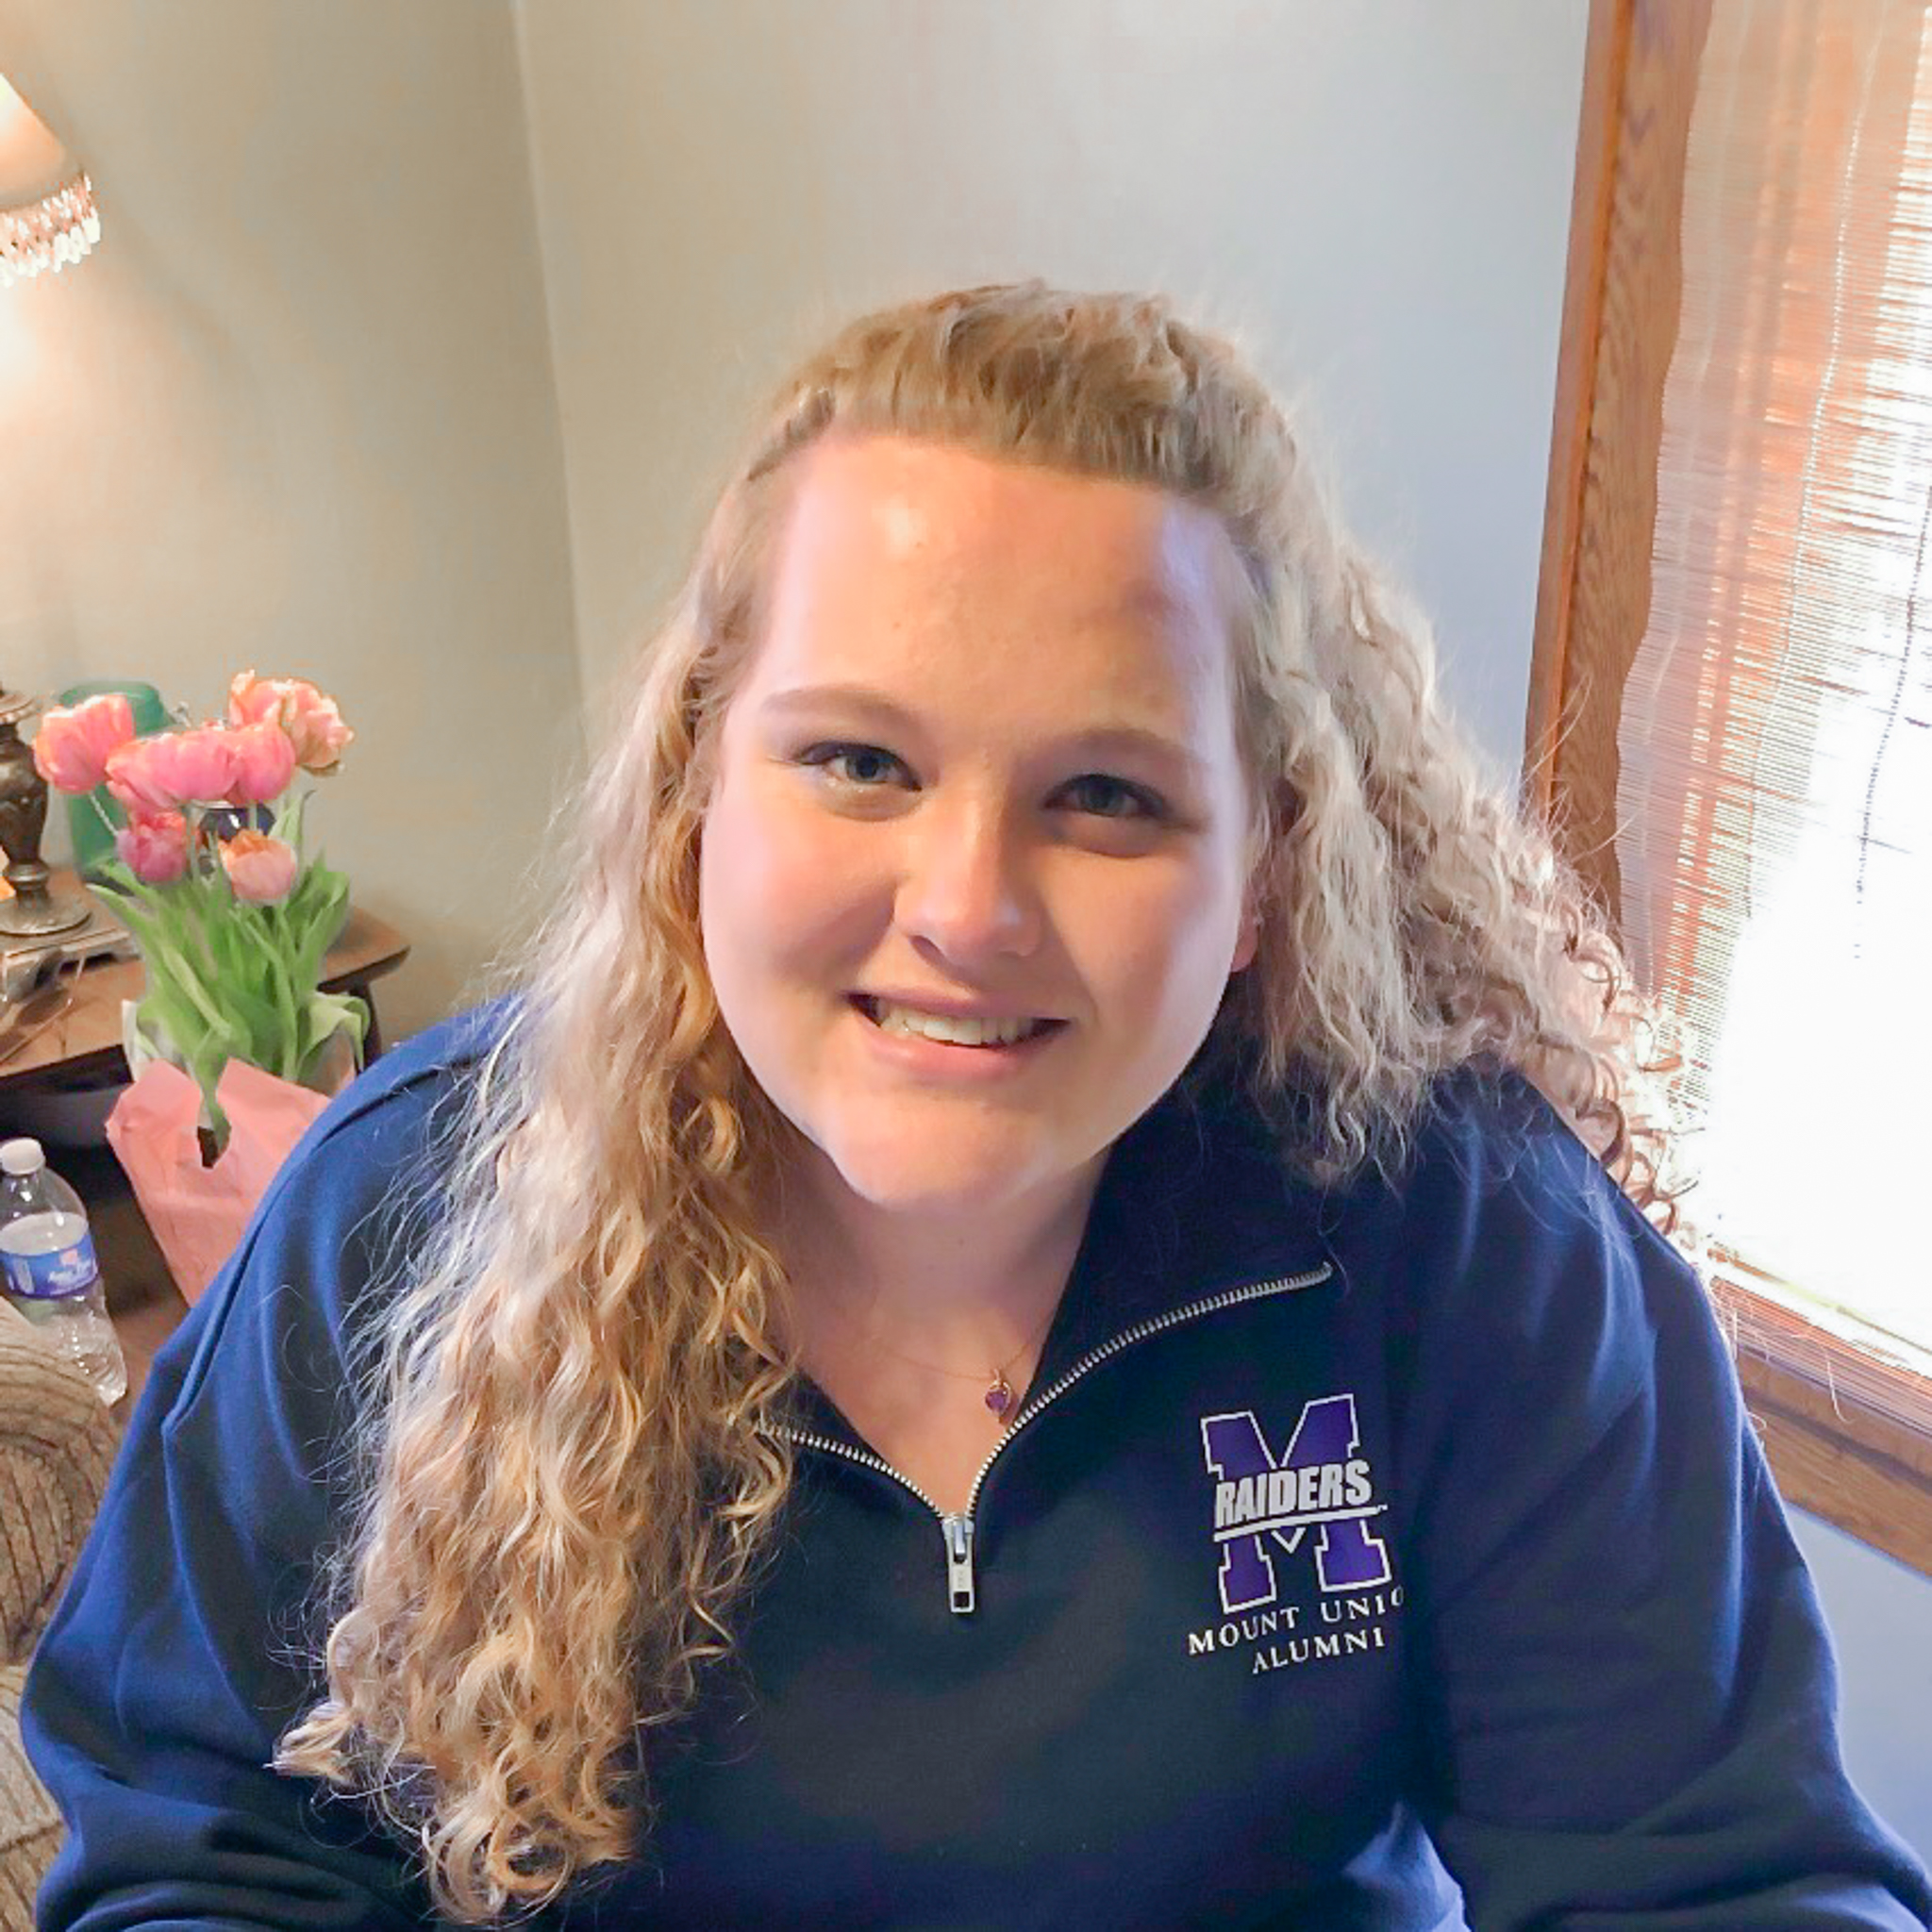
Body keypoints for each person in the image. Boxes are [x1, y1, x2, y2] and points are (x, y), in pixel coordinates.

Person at [24, 283, 1932, 1930]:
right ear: (697, 791)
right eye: (858, 758)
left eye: (1107, 794)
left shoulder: (1464, 1242)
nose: (964, 910)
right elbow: (210, 1849)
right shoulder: (407, 1213)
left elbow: (1705, 1868)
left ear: (1266, 861)